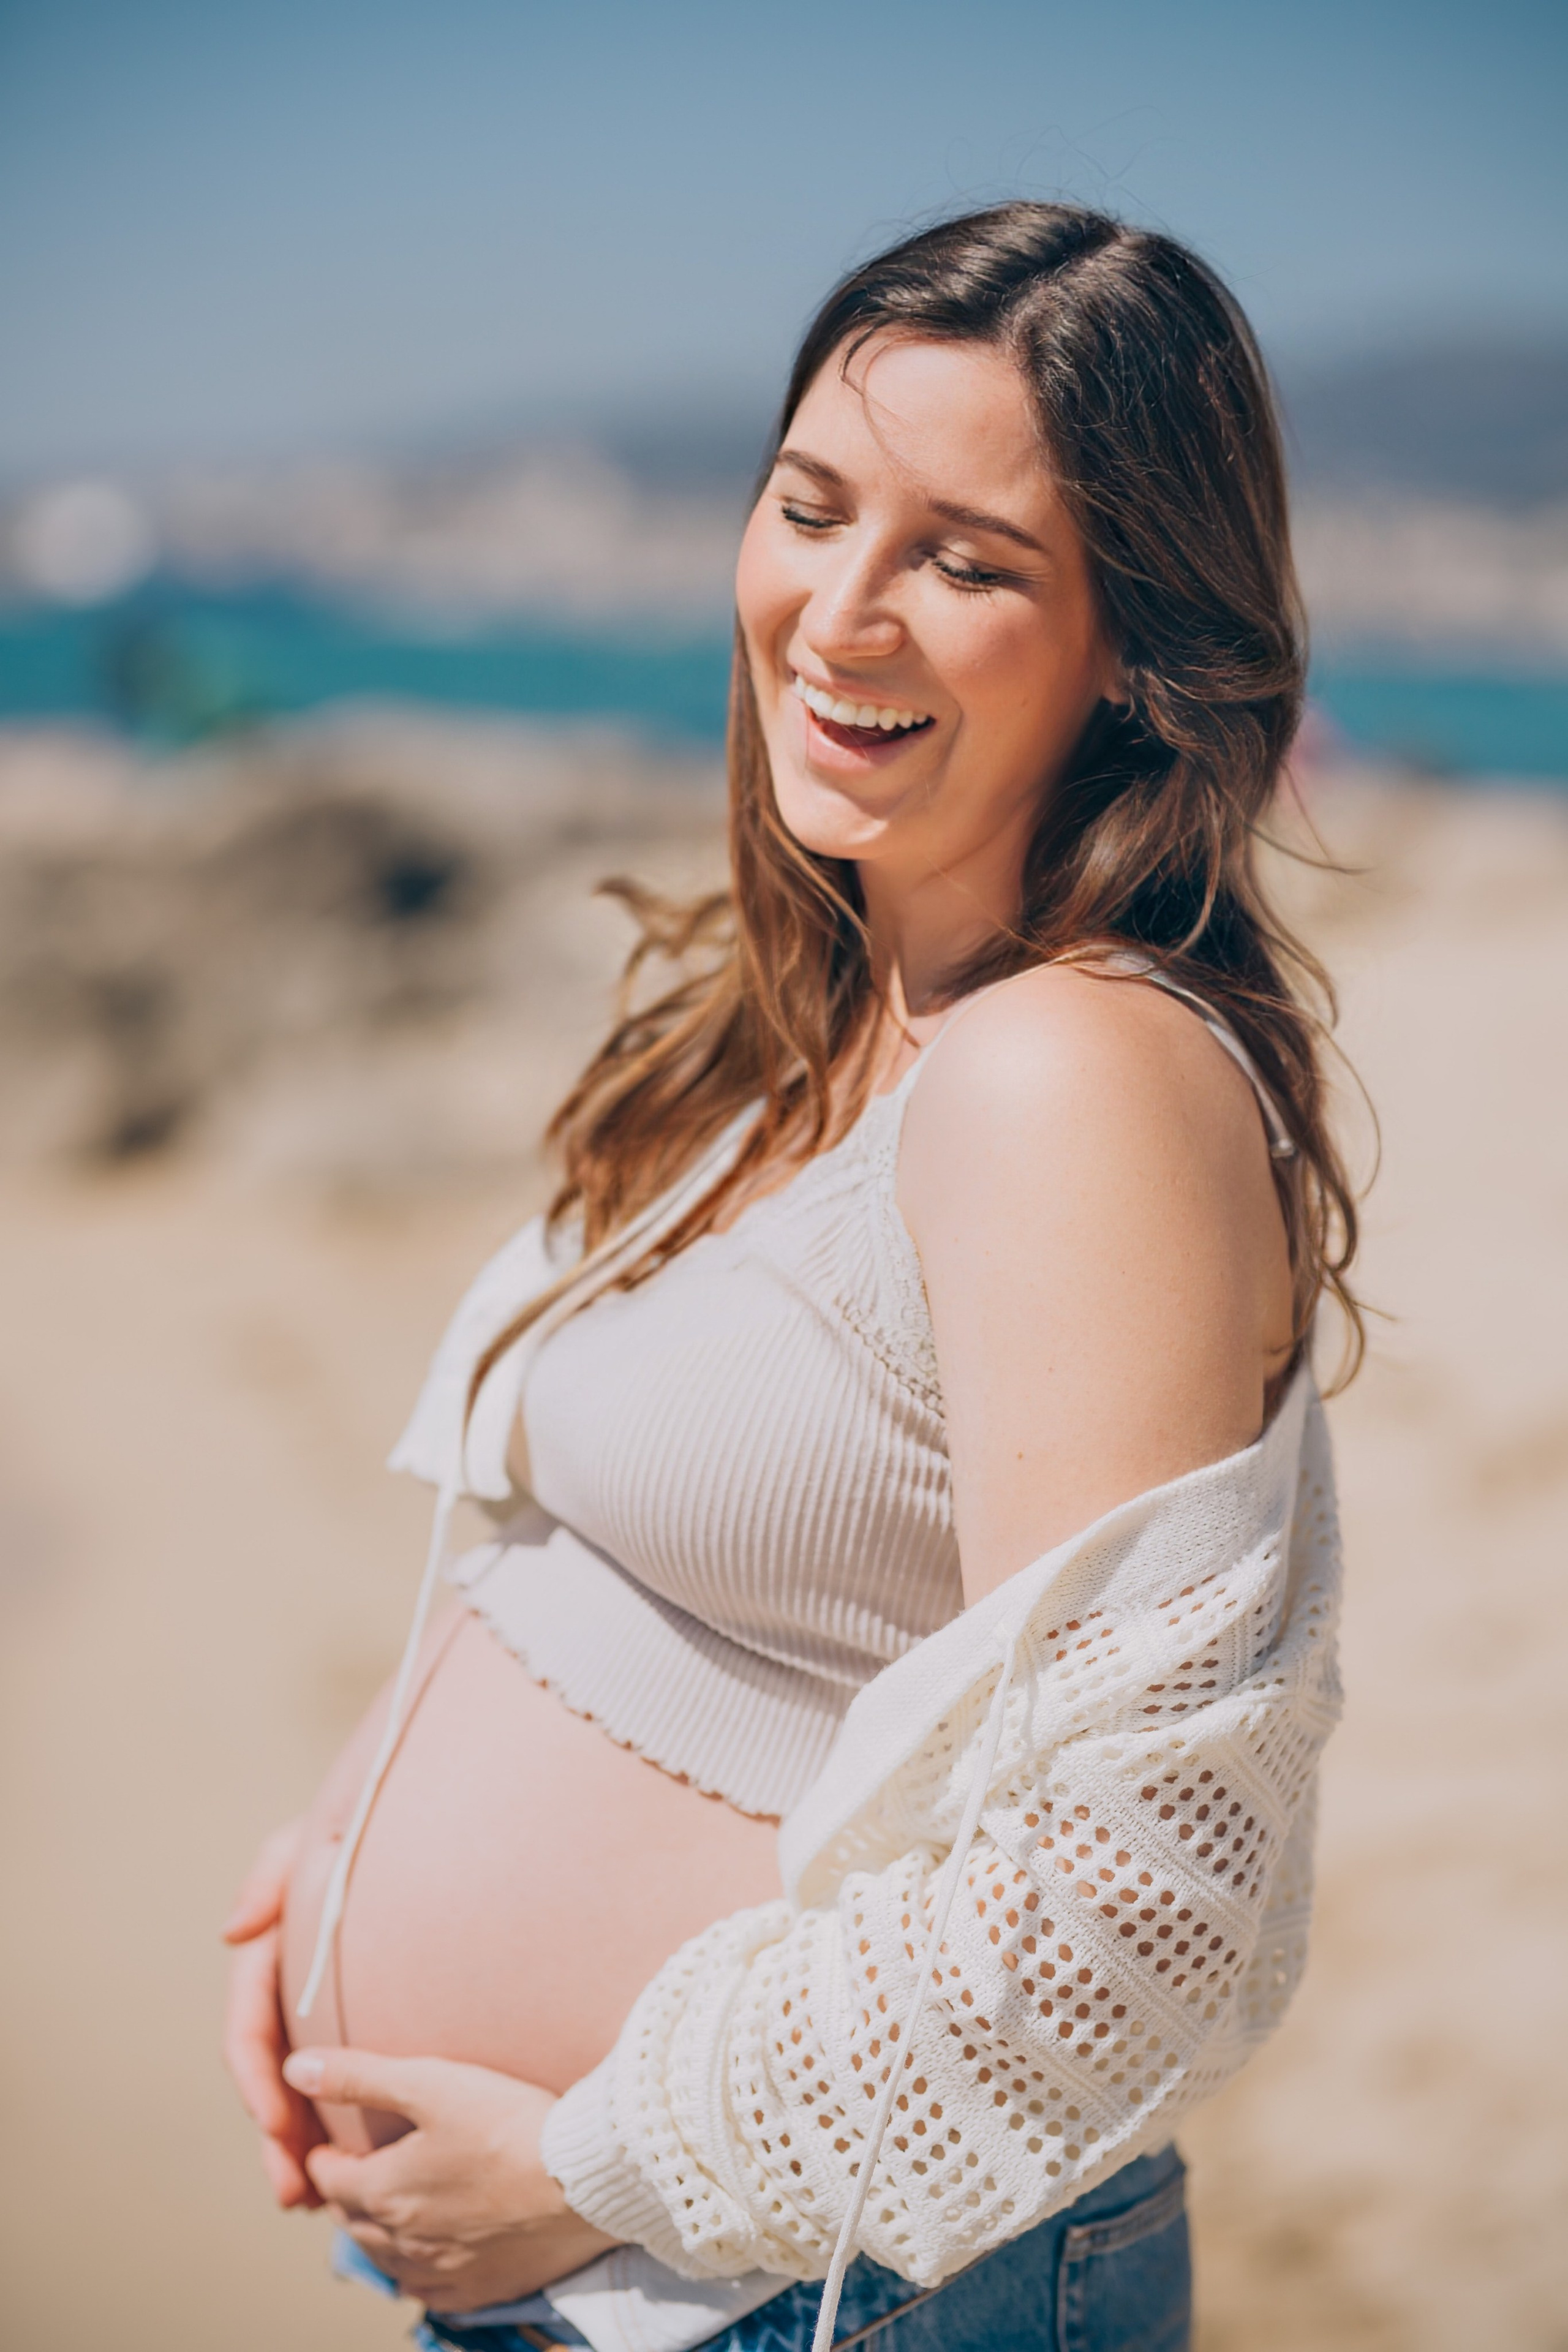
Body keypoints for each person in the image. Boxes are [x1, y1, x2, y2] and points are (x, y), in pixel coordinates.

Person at [223, 202, 1355, 2352]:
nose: (842, 613)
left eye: (966, 558)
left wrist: (589, 2168)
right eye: (810, 507)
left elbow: (1137, 1901)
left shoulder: (1069, 1077)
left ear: (1135, 636)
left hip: (820, 2292)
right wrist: (324, 1883)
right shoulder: (809, 1012)